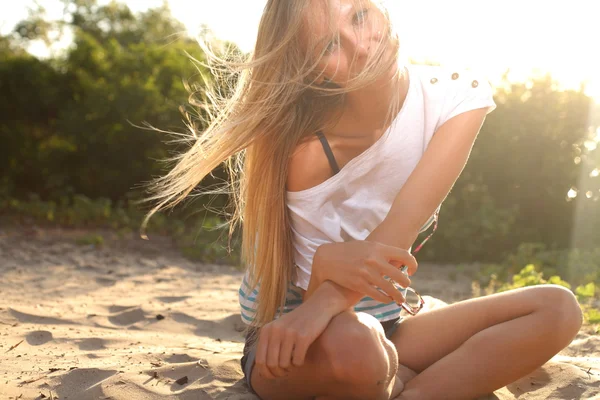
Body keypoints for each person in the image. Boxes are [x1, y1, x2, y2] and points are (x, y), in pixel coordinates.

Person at [143, 0, 583, 398]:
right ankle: (399, 376)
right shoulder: (307, 148)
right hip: (296, 339)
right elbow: (302, 297)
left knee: (557, 308)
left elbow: (397, 233)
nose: (361, 44)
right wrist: (323, 289)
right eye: (330, 44)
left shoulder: (455, 98)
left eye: (359, 15)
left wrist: (335, 277)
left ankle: (406, 390)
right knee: (358, 347)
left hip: (389, 327)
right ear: (314, 70)